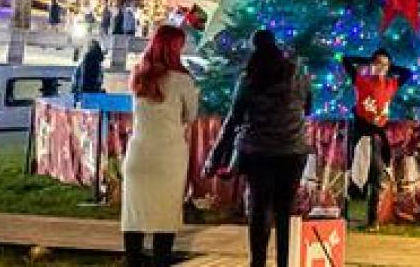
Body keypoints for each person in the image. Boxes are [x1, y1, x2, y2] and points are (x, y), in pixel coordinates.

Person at [208, 30, 311, 267]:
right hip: (293, 149)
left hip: (258, 151)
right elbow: (308, 107)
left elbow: (234, 118)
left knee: (259, 207)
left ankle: (258, 262)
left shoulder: (249, 77)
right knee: (285, 209)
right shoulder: (299, 74)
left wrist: (216, 157)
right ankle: (285, 261)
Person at [121, 25, 200, 267]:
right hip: (168, 154)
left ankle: (133, 259)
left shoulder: (139, 74)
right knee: (165, 215)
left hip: (139, 152)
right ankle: (160, 259)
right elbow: (191, 115)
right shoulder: (182, 80)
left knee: (134, 215)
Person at [341, 48, 413, 230]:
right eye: (378, 63)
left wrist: (387, 67)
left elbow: (407, 73)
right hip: (361, 133)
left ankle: (373, 220)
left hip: (378, 135)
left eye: (385, 64)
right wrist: (369, 62)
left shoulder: (391, 84)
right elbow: (345, 60)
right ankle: (344, 217)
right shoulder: (362, 81)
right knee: (354, 173)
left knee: (377, 175)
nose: (381, 67)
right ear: (371, 65)